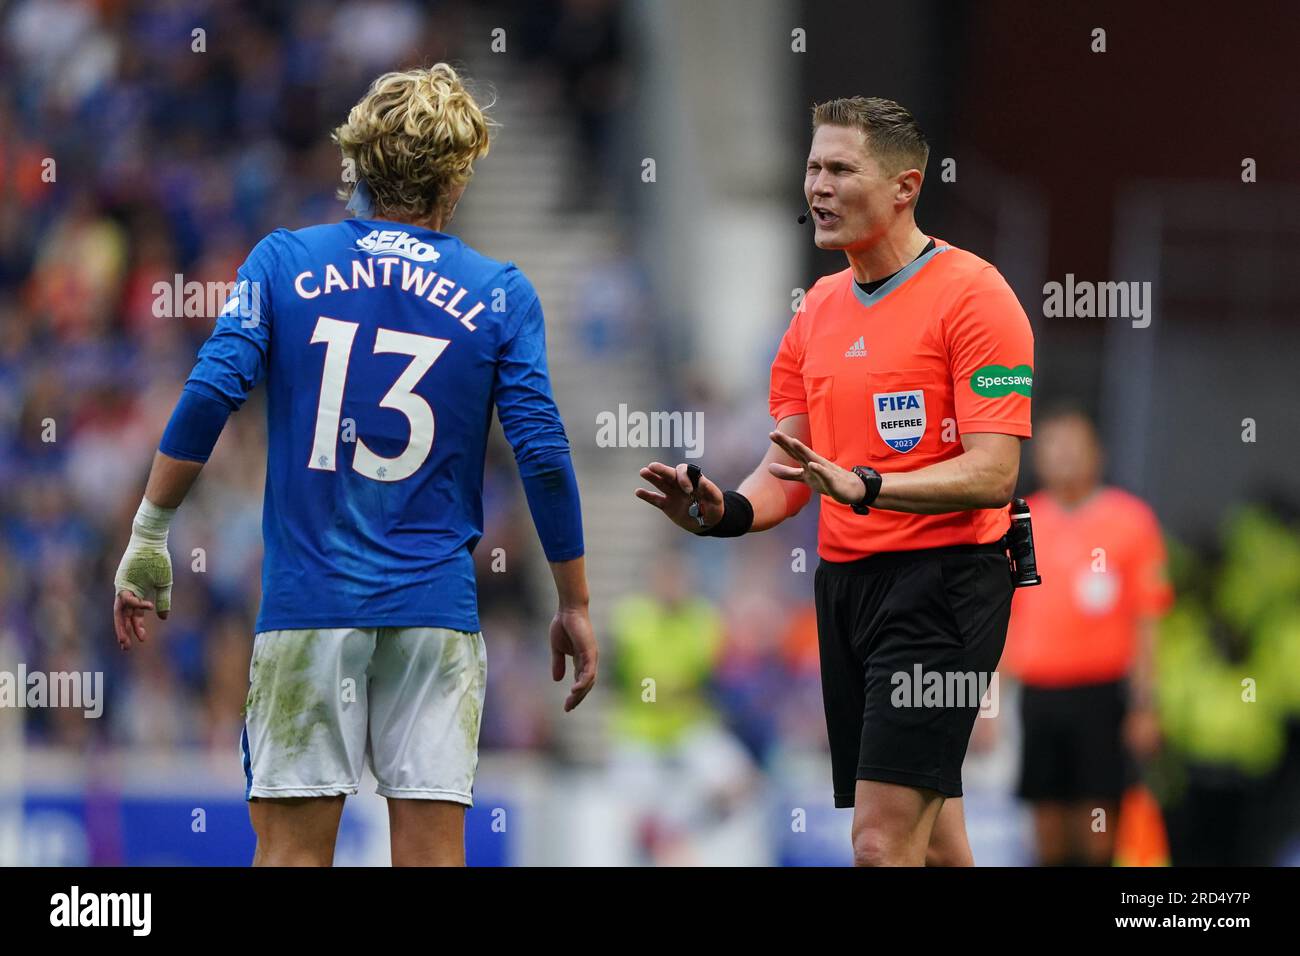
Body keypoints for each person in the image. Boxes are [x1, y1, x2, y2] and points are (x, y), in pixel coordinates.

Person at [110, 64, 597, 867]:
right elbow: (542, 450)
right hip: (434, 613)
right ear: (459, 176)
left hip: (311, 605)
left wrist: (151, 530)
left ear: (358, 161)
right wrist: (574, 598)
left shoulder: (282, 262)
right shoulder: (499, 291)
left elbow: (209, 392)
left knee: (294, 858)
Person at [637, 96, 1034, 866]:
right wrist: (728, 510)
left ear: (904, 187)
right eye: (812, 167)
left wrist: (872, 487)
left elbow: (995, 470)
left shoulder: (975, 295)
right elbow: (792, 467)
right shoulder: (815, 309)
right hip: (847, 589)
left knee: (881, 842)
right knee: (937, 838)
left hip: (945, 589)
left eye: (841, 169)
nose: (818, 185)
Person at [1001, 407, 1171, 865]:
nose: (1065, 457)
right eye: (1054, 446)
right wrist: (989, 702)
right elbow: (1005, 617)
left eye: (1075, 446)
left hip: (1102, 696)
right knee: (1047, 828)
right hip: (1039, 696)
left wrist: (1144, 705)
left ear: (1098, 454)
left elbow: (1147, 620)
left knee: (1097, 829)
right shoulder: (1020, 522)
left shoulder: (1132, 521)